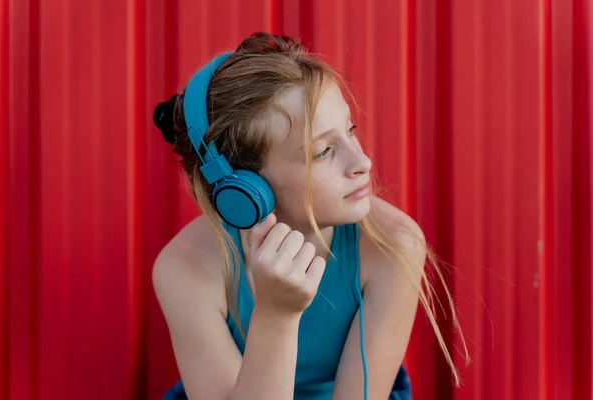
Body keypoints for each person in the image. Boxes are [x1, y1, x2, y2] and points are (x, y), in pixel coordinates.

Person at [152, 32, 467, 400]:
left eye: (350, 132)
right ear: (243, 188)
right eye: (323, 152)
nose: (362, 163)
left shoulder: (392, 245)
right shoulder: (185, 267)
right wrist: (276, 316)